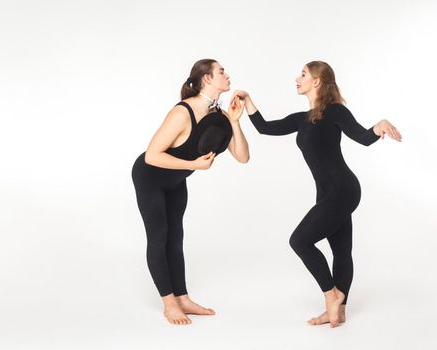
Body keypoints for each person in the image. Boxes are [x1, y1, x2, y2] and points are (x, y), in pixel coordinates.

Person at [235, 61, 402, 328]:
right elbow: (266, 128)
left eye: (303, 74)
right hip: (327, 194)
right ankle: (339, 312)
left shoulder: (335, 111)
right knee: (341, 250)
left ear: (317, 81)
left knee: (299, 241)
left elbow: (363, 137)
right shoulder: (302, 120)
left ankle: (332, 295)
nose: (297, 78)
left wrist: (378, 125)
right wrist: (248, 101)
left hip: (343, 189)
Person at [132, 59, 249, 325]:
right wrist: (193, 165)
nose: (228, 75)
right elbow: (152, 155)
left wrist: (234, 121)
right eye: (222, 72)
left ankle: (183, 298)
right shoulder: (183, 112)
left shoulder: (219, 116)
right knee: (159, 236)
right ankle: (169, 303)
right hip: (151, 176)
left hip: (175, 180)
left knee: (176, 237)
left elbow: (242, 157)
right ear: (207, 78)